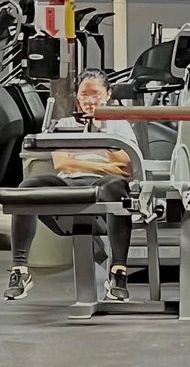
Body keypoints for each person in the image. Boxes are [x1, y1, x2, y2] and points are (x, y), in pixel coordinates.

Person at [4, 69, 139, 303]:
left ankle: (118, 272)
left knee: (116, 187)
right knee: (27, 187)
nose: (90, 100)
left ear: (108, 94)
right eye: (84, 94)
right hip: (69, 181)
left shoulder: (119, 125)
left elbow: (126, 165)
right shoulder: (64, 124)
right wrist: (105, 156)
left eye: (96, 94)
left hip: (105, 185)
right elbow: (63, 162)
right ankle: (20, 270)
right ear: (77, 96)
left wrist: (83, 156)